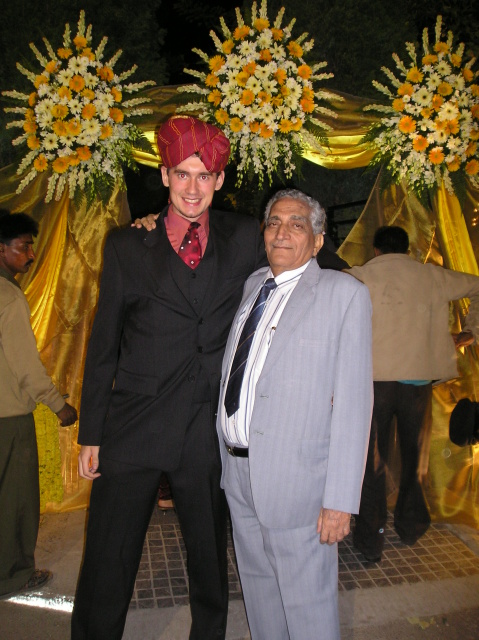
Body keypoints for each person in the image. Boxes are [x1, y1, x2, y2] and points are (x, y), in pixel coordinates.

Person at [71, 116, 266, 640]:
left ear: (219, 180)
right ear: (164, 175)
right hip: (133, 424)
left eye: (204, 176)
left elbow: (304, 256)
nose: (193, 188)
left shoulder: (245, 236)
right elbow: (104, 344)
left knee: (209, 555)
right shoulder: (126, 245)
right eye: (182, 174)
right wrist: (92, 432)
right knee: (109, 553)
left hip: (206, 428)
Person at [216, 189, 373, 640]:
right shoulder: (253, 285)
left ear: (318, 240)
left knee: (307, 606)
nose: (282, 232)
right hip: (238, 473)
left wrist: (340, 500)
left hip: (299, 484)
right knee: (260, 592)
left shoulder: (344, 294)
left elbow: (354, 404)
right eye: (274, 223)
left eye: (297, 224)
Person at [346, 225, 479, 562]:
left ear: (376, 250)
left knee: (372, 463)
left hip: (374, 383)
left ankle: (371, 539)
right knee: (414, 459)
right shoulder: (431, 276)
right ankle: (411, 527)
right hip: (416, 385)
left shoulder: (359, 276)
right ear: (406, 250)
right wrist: (470, 332)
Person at [0, 211, 77, 597]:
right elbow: (26, 367)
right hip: (8, 419)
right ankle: (13, 575)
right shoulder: (9, 297)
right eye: (23, 247)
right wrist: (59, 405)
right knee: (15, 501)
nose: (30, 255)